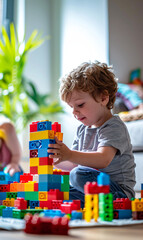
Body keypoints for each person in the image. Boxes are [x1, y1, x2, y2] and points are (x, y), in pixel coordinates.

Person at [48, 61, 136, 208]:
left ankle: (113, 204)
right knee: (59, 192)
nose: (74, 112)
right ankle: (93, 204)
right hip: (91, 189)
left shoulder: (113, 126)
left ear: (103, 98)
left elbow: (103, 159)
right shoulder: (82, 129)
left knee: (78, 175)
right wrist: (54, 159)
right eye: (71, 107)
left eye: (80, 105)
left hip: (119, 193)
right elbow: (73, 163)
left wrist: (69, 154)